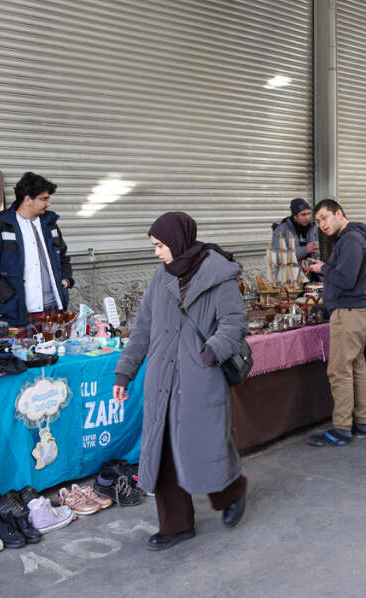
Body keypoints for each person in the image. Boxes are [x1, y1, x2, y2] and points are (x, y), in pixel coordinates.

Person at [112, 212, 247, 550]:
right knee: (165, 452)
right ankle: (176, 525)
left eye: (160, 245)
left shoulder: (219, 276)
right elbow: (142, 329)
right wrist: (125, 372)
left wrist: (213, 349)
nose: (156, 252)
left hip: (200, 376)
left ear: (177, 241)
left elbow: (234, 321)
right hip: (162, 378)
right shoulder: (161, 278)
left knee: (204, 446)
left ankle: (231, 492)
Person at [307, 200, 366, 445]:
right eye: (318, 221)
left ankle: (341, 428)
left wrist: (323, 268)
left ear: (339, 213)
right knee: (355, 364)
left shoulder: (350, 240)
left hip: (350, 311)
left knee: (339, 369)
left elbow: (346, 279)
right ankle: (360, 420)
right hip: (357, 308)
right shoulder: (352, 237)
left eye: (325, 217)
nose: (322, 224)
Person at [0, 172, 73, 332]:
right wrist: (9, 295)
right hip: (17, 313)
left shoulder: (50, 224)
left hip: (54, 309)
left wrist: (66, 279)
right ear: (27, 199)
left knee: (56, 349)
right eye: (43, 199)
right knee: (19, 350)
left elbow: (62, 256)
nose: (48, 204)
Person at [267, 198, 317, 285]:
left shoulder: (313, 228)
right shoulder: (281, 230)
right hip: (289, 283)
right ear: (295, 216)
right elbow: (279, 258)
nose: (307, 217)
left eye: (309, 213)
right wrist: (305, 250)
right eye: (303, 214)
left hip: (310, 280)